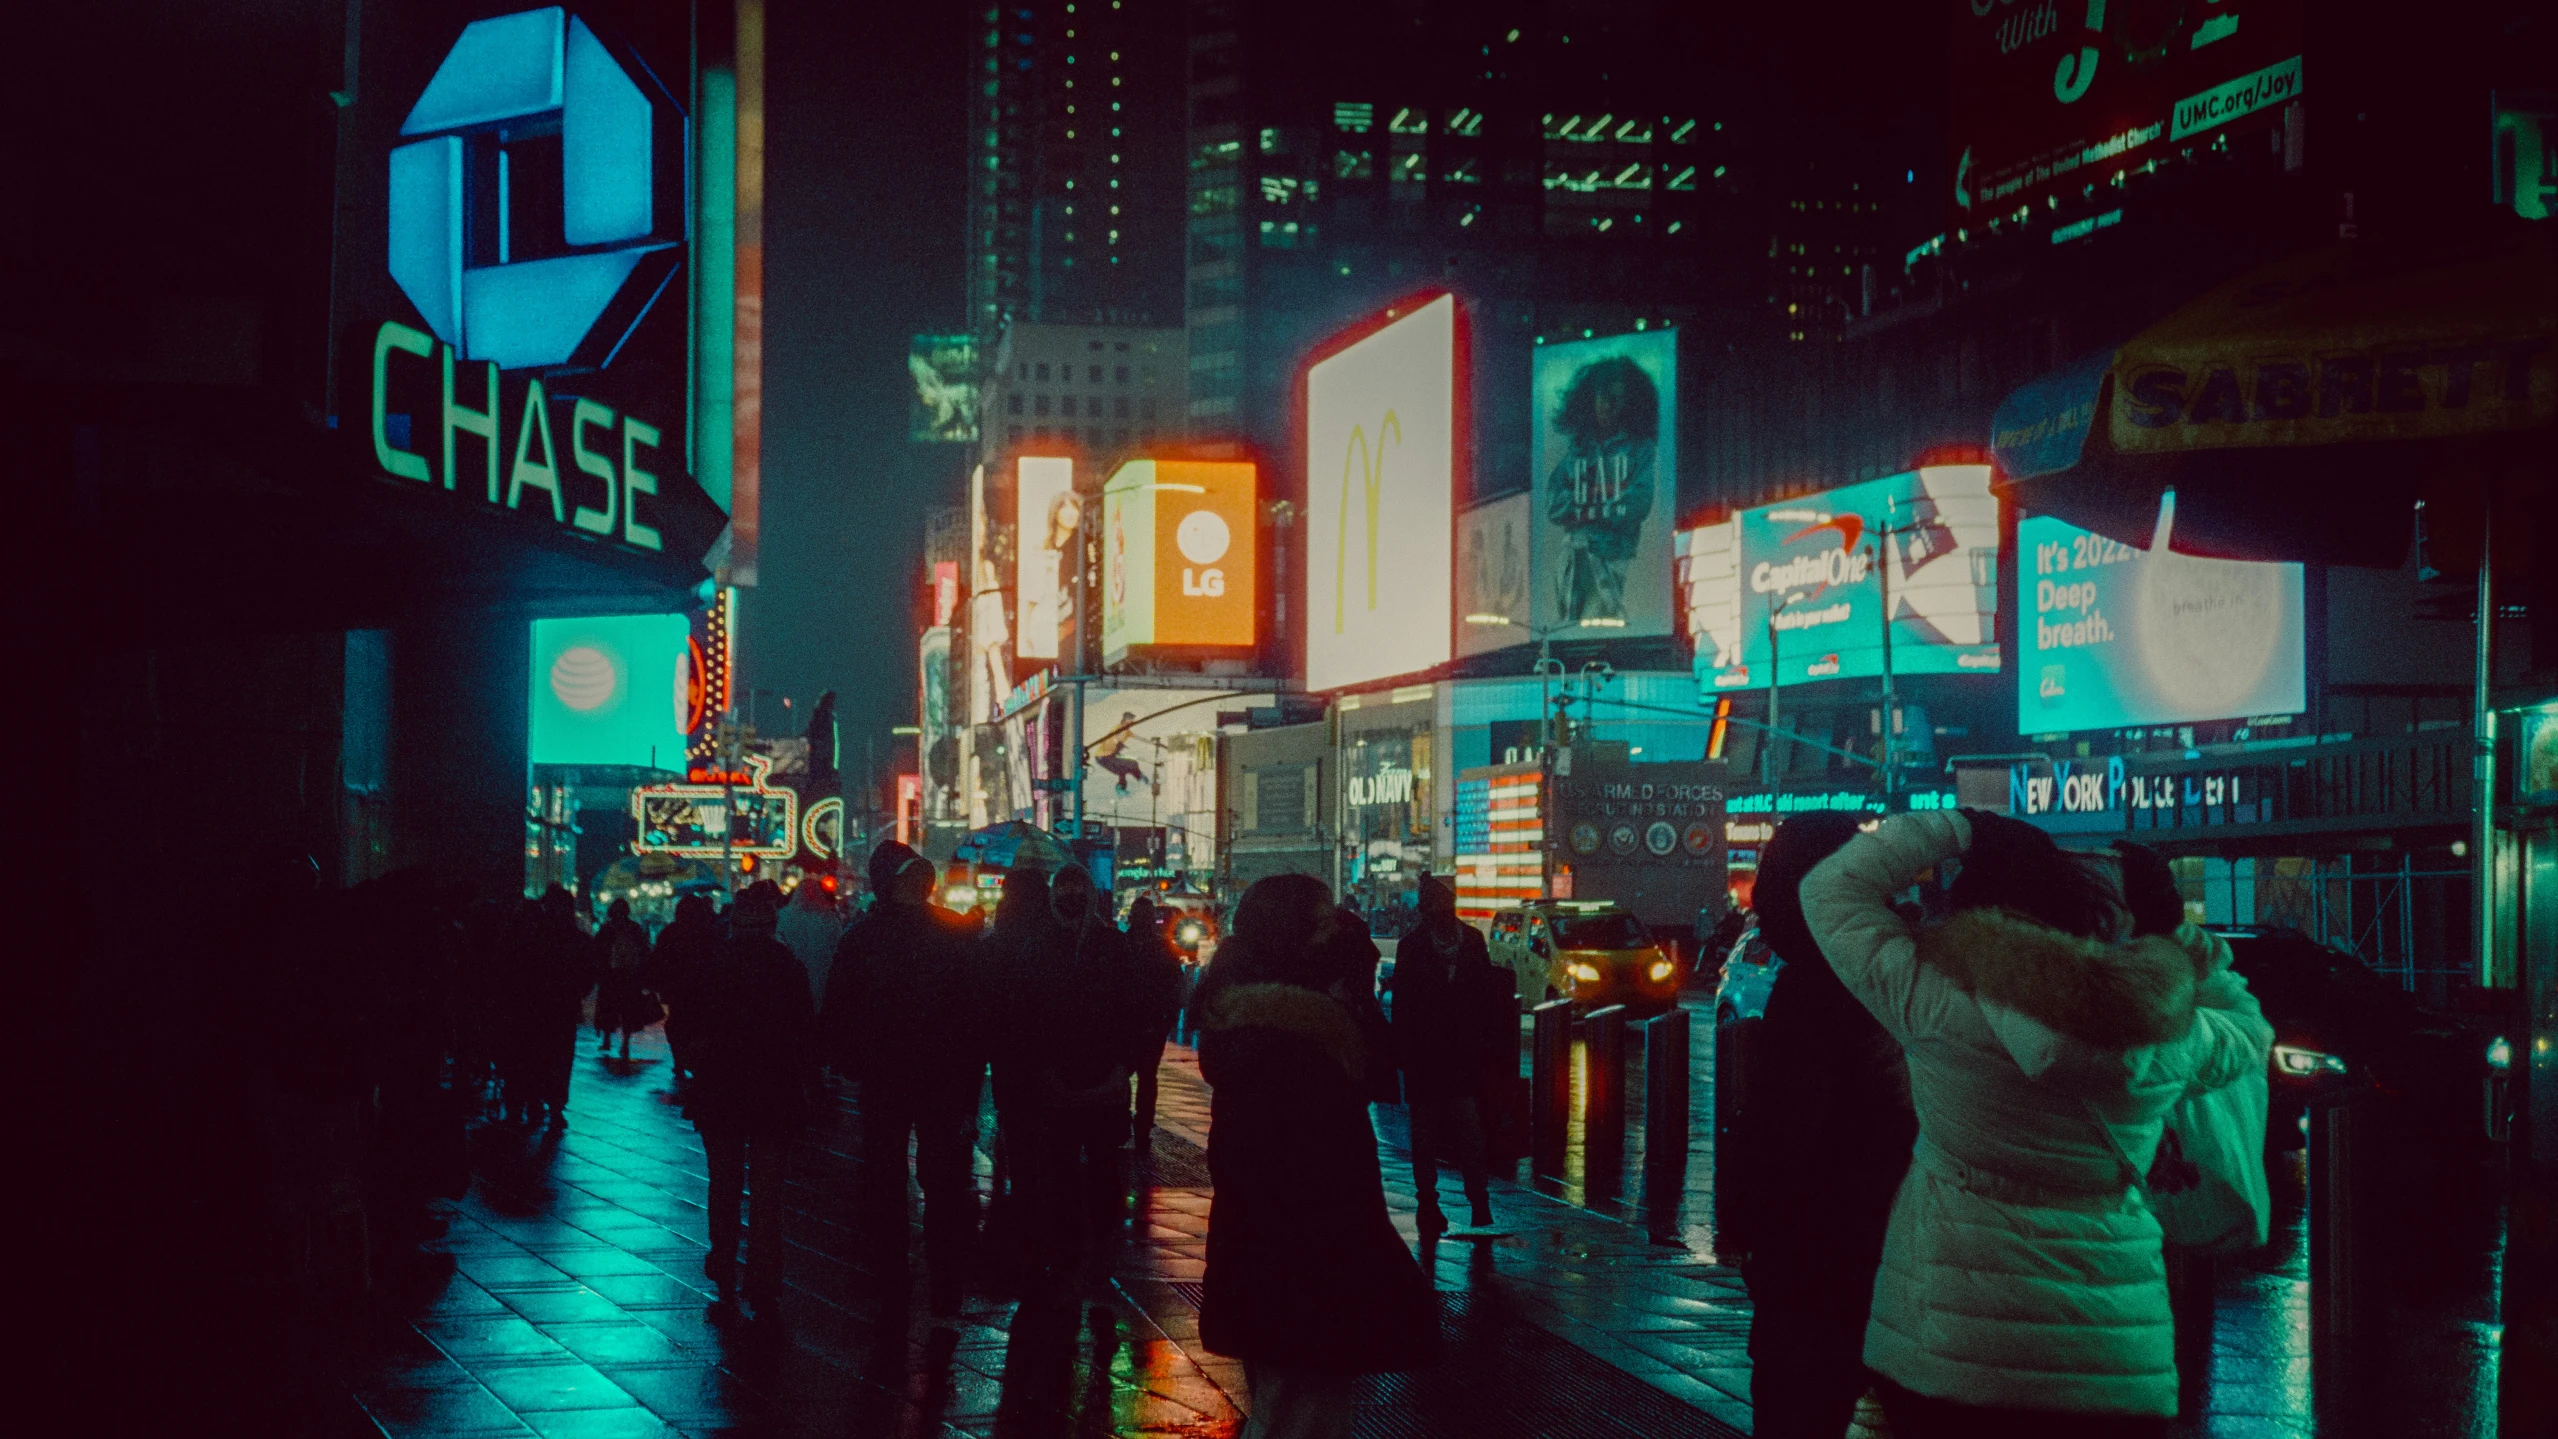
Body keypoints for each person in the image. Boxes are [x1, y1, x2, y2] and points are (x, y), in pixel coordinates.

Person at [1799, 811, 2272, 1438]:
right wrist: (2173, 952)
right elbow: (2251, 1031)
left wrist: (1957, 826)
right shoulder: (2170, 1037)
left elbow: (1829, 890)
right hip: (2116, 1365)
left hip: (1953, 1354)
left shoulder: (1937, 1001)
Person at [1193, 875, 1440, 1439]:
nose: (1337, 928)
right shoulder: (1299, 1022)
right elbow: (1370, 1079)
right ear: (1293, 931)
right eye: (1325, 920)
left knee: (1299, 1393)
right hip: (1303, 1236)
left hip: (1275, 1234)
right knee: (1298, 1402)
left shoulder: (1262, 1000)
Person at [1722, 812, 1910, 1439]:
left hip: (1817, 1259)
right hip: (1900, 1250)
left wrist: (1751, 1227)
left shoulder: (1814, 985)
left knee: (1797, 1410)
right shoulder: (1901, 970)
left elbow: (1789, 1134)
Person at [822, 841, 985, 1314]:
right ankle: (936, 1282)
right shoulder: (949, 935)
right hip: (932, 1078)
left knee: (897, 1176)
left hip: (899, 1077)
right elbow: (976, 1014)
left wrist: (852, 1061)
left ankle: (900, 1273)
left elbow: (838, 1013)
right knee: (930, 1180)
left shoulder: (864, 937)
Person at [1009, 864, 1169, 1305]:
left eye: (1078, 893)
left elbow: (1134, 1012)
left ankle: (1099, 1246)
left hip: (1104, 1082)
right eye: (1065, 893)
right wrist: (1042, 1072)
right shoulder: (1039, 948)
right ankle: (1067, 1248)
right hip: (1056, 1083)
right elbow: (1025, 1018)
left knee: (1102, 1172)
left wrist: (1123, 1069)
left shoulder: (1112, 948)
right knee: (1060, 1170)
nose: (1071, 901)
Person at [681, 881, 818, 1317]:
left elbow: (687, 1022)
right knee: (767, 1190)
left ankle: (723, 1259)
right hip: (773, 1092)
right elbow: (804, 1032)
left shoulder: (711, 965)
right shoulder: (787, 967)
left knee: (723, 1182)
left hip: (721, 1089)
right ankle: (763, 1273)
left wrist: (696, 1060)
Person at [1387, 875, 1511, 1237]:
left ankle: (1478, 1201)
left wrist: (1486, 1044)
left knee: (1468, 1127)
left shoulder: (1471, 941)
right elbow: (1404, 1006)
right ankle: (1428, 1201)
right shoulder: (1412, 945)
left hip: (1461, 1053)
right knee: (1425, 1133)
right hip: (1426, 1056)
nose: (1434, 911)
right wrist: (1404, 1053)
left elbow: (1485, 997)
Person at [1543, 354, 1659, 625]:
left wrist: (1588, 508)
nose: (1610, 407)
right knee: (1570, 628)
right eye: (1604, 397)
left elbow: (1639, 502)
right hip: (1573, 556)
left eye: (1618, 399)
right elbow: (1553, 505)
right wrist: (1600, 498)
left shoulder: (1638, 449)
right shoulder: (1577, 451)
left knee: (1602, 622)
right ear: (1590, 400)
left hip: (1613, 555)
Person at [1122, 895, 1184, 1151]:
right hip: (1151, 1023)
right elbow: (1175, 987)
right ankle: (1143, 1128)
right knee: (1148, 1078)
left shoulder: (1122, 946)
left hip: (1128, 1023)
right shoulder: (1163, 948)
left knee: (1123, 1075)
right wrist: (1166, 1019)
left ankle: (1126, 1124)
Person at [649, 893, 722, 1083]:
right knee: (696, 1026)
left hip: (677, 988)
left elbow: (658, 959)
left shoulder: (670, 932)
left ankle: (681, 1060)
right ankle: (694, 1062)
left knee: (677, 1025)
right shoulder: (707, 932)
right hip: (700, 989)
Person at [591, 898, 656, 1061]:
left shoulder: (607, 928)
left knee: (608, 1006)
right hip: (629, 975)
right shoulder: (634, 928)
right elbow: (644, 951)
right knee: (628, 1009)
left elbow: (597, 950)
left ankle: (607, 1039)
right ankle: (625, 1043)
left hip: (610, 975)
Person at [776, 877, 846, 1010]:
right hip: (822, 979)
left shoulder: (782, 917)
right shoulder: (829, 920)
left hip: (789, 982)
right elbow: (837, 951)